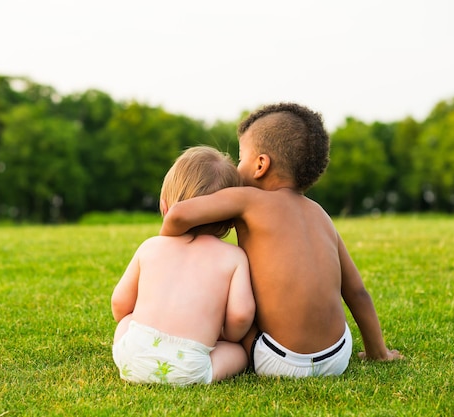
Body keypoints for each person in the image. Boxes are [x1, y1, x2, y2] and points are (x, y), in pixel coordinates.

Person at [160, 103, 403, 378]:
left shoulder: (249, 200)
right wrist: (377, 353)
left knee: (234, 308)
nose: (237, 166)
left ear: (261, 164)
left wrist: (163, 250)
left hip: (279, 360)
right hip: (338, 354)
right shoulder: (321, 215)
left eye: (241, 158)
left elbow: (179, 214)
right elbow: (357, 292)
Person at [111, 146, 255, 385]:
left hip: (132, 356)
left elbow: (119, 305)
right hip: (189, 365)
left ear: (164, 207)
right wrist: (226, 336)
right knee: (239, 353)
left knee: (127, 322)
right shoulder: (233, 257)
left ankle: (134, 360)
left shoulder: (151, 246)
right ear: (230, 221)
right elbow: (241, 316)